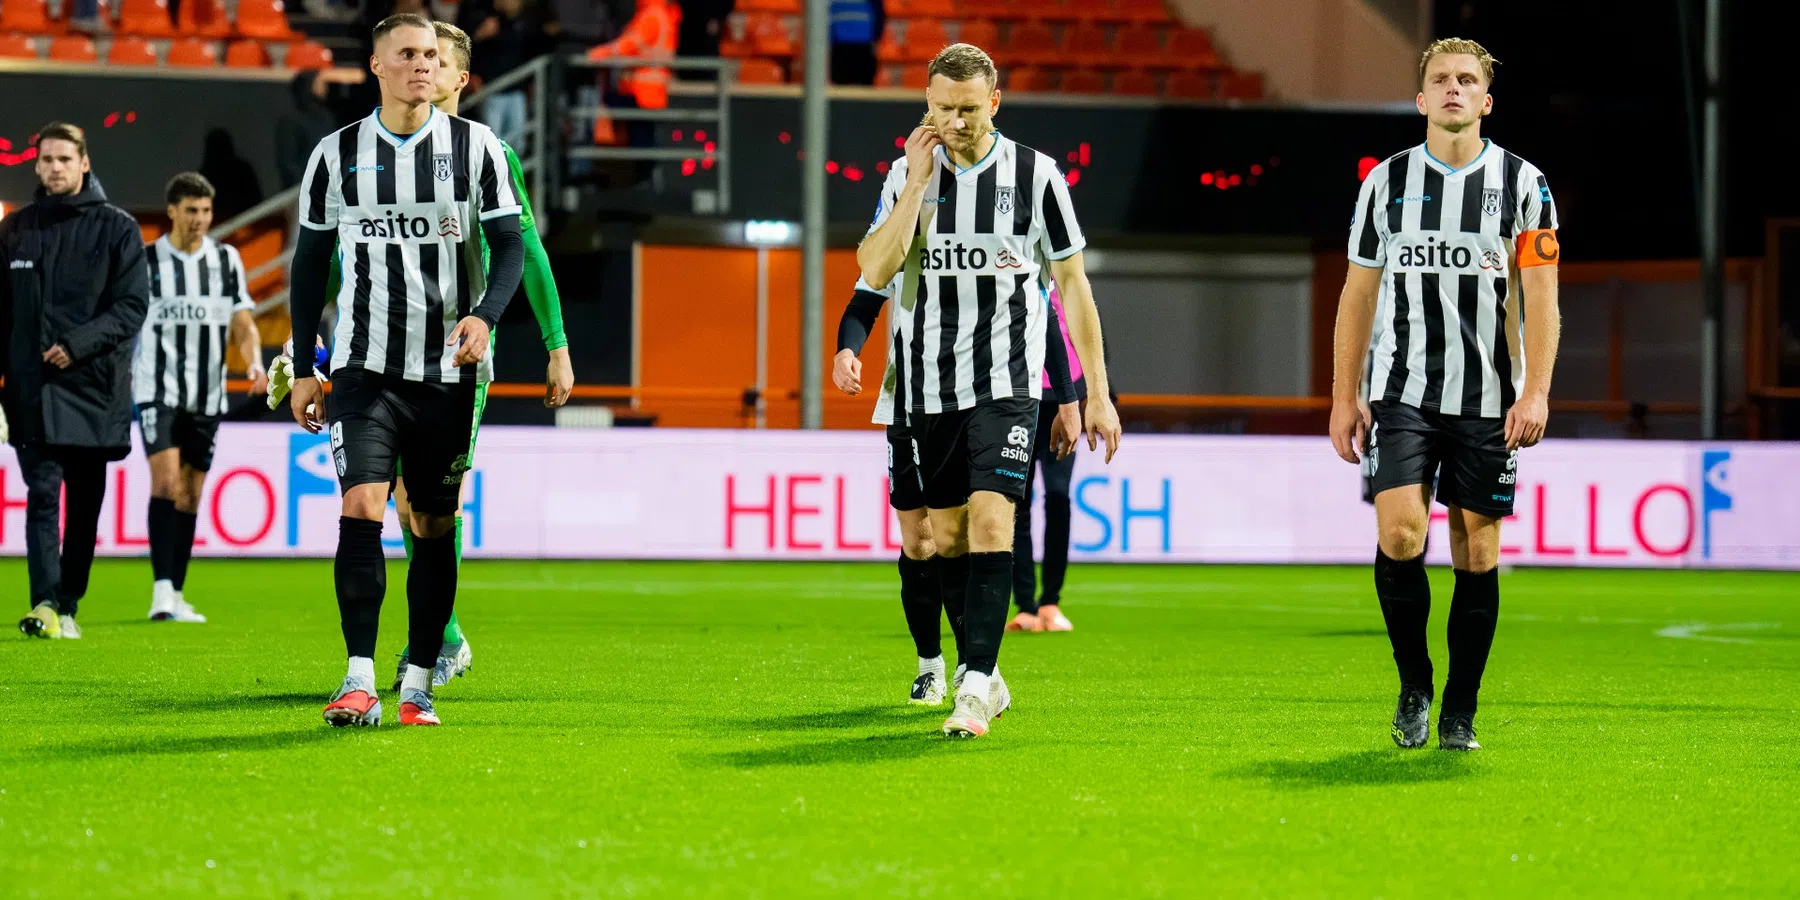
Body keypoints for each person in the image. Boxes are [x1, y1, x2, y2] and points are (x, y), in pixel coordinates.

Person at [856, 43, 1121, 738]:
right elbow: (874, 268)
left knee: (993, 517)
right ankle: (988, 673)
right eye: (942, 109)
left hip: (1006, 382)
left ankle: (972, 687)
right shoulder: (901, 176)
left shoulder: (1036, 177)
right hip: (926, 385)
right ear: (927, 106)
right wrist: (914, 185)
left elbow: (1073, 286)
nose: (956, 123)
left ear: (994, 104)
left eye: (969, 110)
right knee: (945, 538)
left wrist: (1096, 392)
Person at [286, 12, 526, 727]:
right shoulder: (335, 155)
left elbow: (510, 246)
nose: (422, 65)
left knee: (431, 521)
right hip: (364, 368)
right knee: (361, 504)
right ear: (377, 66)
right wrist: (305, 366)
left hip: (447, 371)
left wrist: (484, 313)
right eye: (407, 54)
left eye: (430, 55)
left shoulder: (477, 147)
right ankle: (358, 677)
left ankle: (418, 680)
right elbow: (308, 265)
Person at [1330, 38, 1561, 752]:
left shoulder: (1527, 185)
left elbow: (1544, 299)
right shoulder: (1386, 183)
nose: (1454, 89)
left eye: (1468, 80)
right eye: (1441, 80)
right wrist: (1345, 396)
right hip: (1402, 392)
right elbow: (1357, 295)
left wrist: (1537, 392)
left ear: (1486, 101)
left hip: (1491, 398)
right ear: (1421, 98)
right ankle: (1414, 683)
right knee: (1400, 532)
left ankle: (1461, 708)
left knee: (1477, 551)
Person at [834, 266, 1077, 706]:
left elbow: (1044, 312)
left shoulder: (997, 237)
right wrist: (845, 351)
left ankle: (976, 666)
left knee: (976, 526)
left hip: (985, 400)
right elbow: (864, 300)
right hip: (909, 401)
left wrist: (1067, 396)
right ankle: (931, 664)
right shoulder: (903, 229)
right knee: (921, 538)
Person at [1, 123, 150, 640]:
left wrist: (78, 345)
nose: (55, 167)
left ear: (84, 163)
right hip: (30, 390)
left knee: (84, 505)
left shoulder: (118, 229)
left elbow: (132, 307)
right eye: (46, 159)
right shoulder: (15, 230)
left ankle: (68, 602)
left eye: (65, 159)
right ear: (36, 164)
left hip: (94, 388)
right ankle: (43, 603)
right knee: (41, 494)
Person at [135, 173, 268, 624]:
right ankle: (160, 591)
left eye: (206, 211)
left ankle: (176, 590)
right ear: (171, 211)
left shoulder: (226, 260)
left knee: (191, 495)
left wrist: (253, 363)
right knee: (167, 482)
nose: (199, 220)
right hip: (158, 389)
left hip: (207, 395)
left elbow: (243, 322)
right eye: (191, 210)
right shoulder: (146, 261)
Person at [1008, 282, 1083, 633]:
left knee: (1058, 495)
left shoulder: (1070, 276)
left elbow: (1088, 333)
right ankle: (1025, 605)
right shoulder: (1014, 267)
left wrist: (1100, 396)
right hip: (1017, 394)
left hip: (1063, 398)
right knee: (1016, 502)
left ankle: (1050, 602)